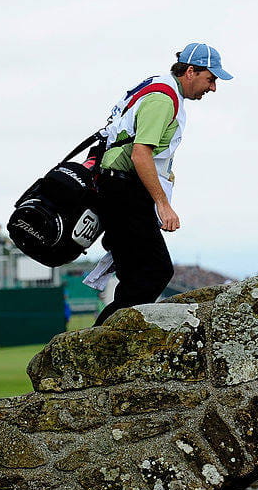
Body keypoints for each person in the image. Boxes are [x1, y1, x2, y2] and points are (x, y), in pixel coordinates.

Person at [92, 42, 233, 326]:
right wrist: (163, 205)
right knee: (153, 273)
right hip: (124, 191)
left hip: (120, 189)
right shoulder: (163, 99)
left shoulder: (160, 89)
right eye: (211, 79)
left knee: (140, 277)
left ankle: (101, 344)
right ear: (190, 71)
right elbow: (140, 153)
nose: (213, 88)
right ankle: (99, 345)